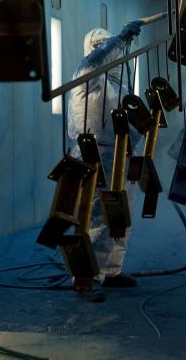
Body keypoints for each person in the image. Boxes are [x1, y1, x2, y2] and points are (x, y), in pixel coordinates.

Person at [67, 22, 143, 302]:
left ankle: (111, 271)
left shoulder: (117, 81)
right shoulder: (88, 74)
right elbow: (93, 64)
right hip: (93, 151)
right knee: (94, 217)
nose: (107, 52)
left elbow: (127, 120)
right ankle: (85, 279)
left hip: (119, 153)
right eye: (102, 47)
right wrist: (120, 40)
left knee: (121, 217)